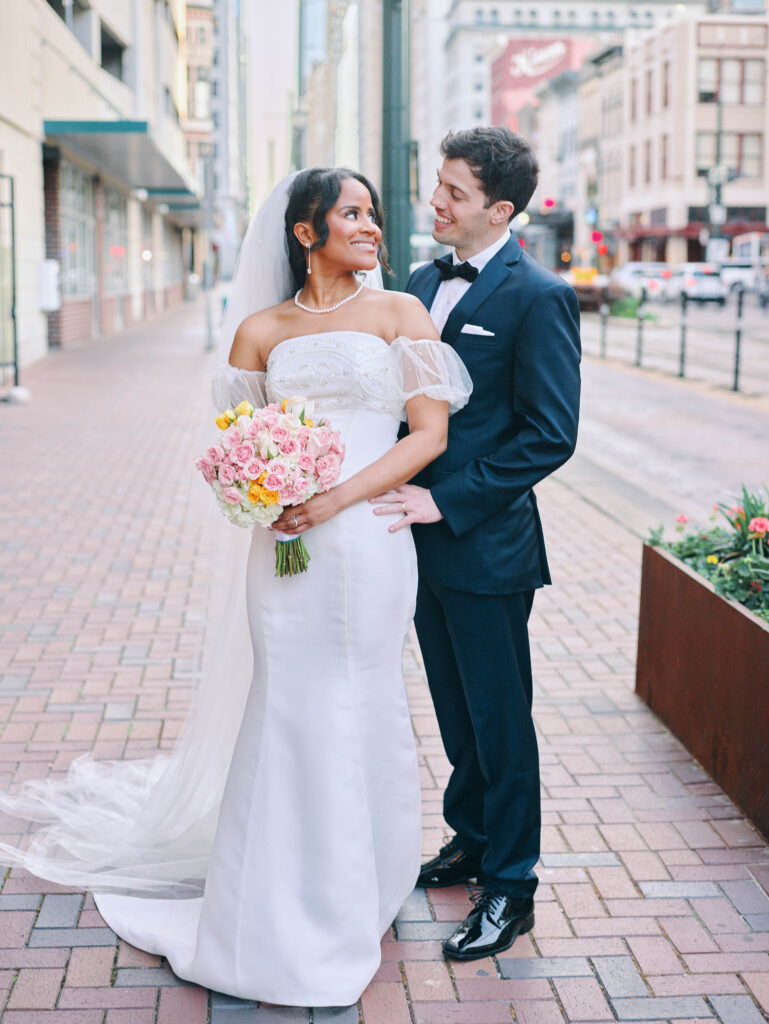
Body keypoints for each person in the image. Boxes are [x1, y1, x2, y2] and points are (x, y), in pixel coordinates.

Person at [0, 168, 471, 1006]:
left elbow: (427, 435)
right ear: (304, 232)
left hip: (366, 539)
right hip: (285, 550)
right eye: (352, 214)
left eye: (373, 213)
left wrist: (334, 497)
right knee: (288, 699)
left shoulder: (402, 313)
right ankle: (280, 902)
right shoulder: (258, 330)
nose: (372, 227)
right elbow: (240, 441)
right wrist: (261, 494)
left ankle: (367, 875)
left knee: (362, 693)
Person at [374, 127, 581, 961]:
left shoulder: (538, 295)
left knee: (500, 720)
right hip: (413, 542)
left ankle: (511, 887)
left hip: (485, 547)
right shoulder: (422, 280)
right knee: (456, 715)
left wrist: (445, 500)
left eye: (453, 193)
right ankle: (470, 838)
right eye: (438, 187)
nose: (436, 203)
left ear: (498, 208)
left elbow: (548, 435)